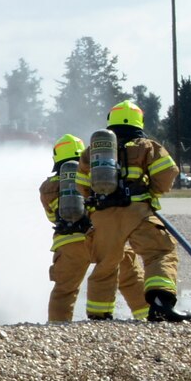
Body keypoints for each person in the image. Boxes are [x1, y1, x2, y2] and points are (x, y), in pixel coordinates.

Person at [85, 100, 187, 323]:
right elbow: (169, 172)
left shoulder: (93, 151)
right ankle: (160, 305)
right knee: (159, 251)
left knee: (106, 264)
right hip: (137, 211)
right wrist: (152, 191)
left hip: (102, 216)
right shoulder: (147, 146)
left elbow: (81, 184)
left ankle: (98, 315)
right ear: (138, 122)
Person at [40, 133, 150, 323]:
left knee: (65, 289)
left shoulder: (48, 187)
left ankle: (57, 328)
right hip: (103, 235)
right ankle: (147, 317)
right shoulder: (92, 173)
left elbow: (52, 217)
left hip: (69, 243)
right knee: (130, 277)